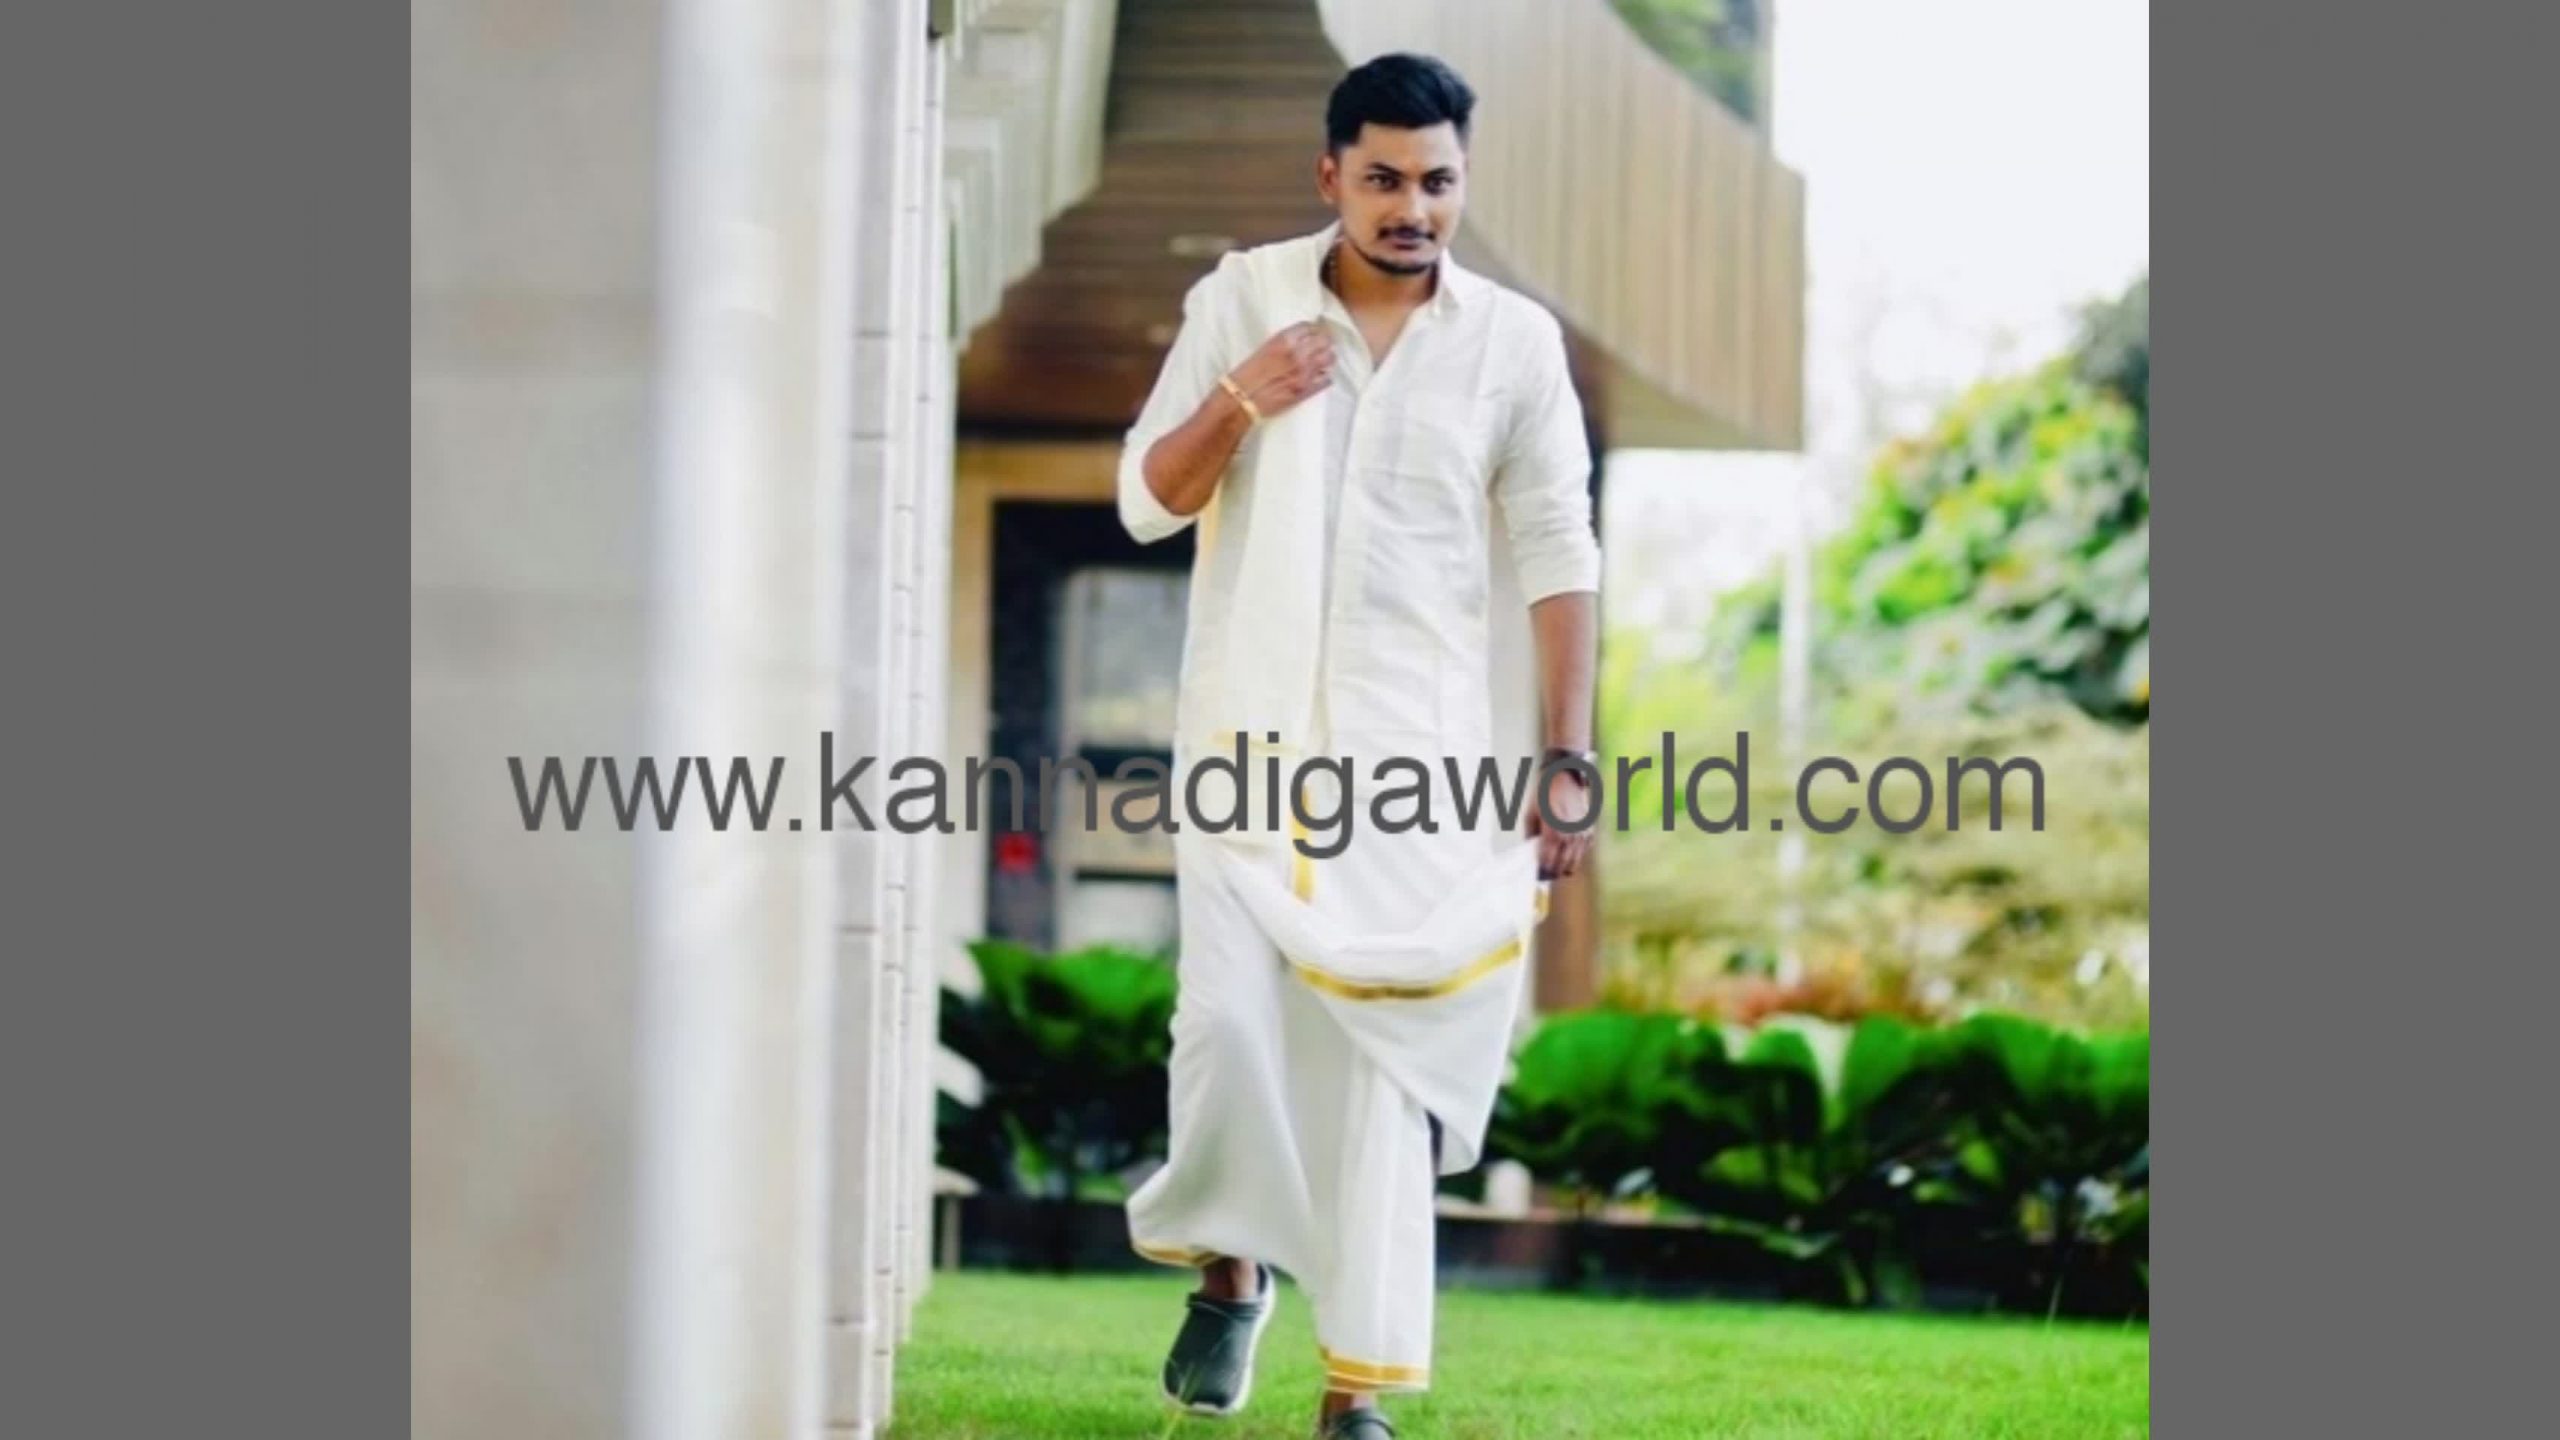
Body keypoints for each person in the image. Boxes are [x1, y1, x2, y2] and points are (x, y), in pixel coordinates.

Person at [1113, 51, 1600, 1440]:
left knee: (1380, 1070)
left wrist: (1568, 755)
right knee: (1225, 1028)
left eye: (1437, 182)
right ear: (1330, 174)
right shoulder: (1243, 298)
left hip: (1417, 763)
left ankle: (1358, 1394)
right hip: (1243, 742)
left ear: (1463, 182)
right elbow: (1147, 499)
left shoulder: (1514, 344)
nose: (1412, 208)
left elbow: (1559, 549)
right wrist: (1243, 397)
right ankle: (1232, 1265)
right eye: (1383, 179)